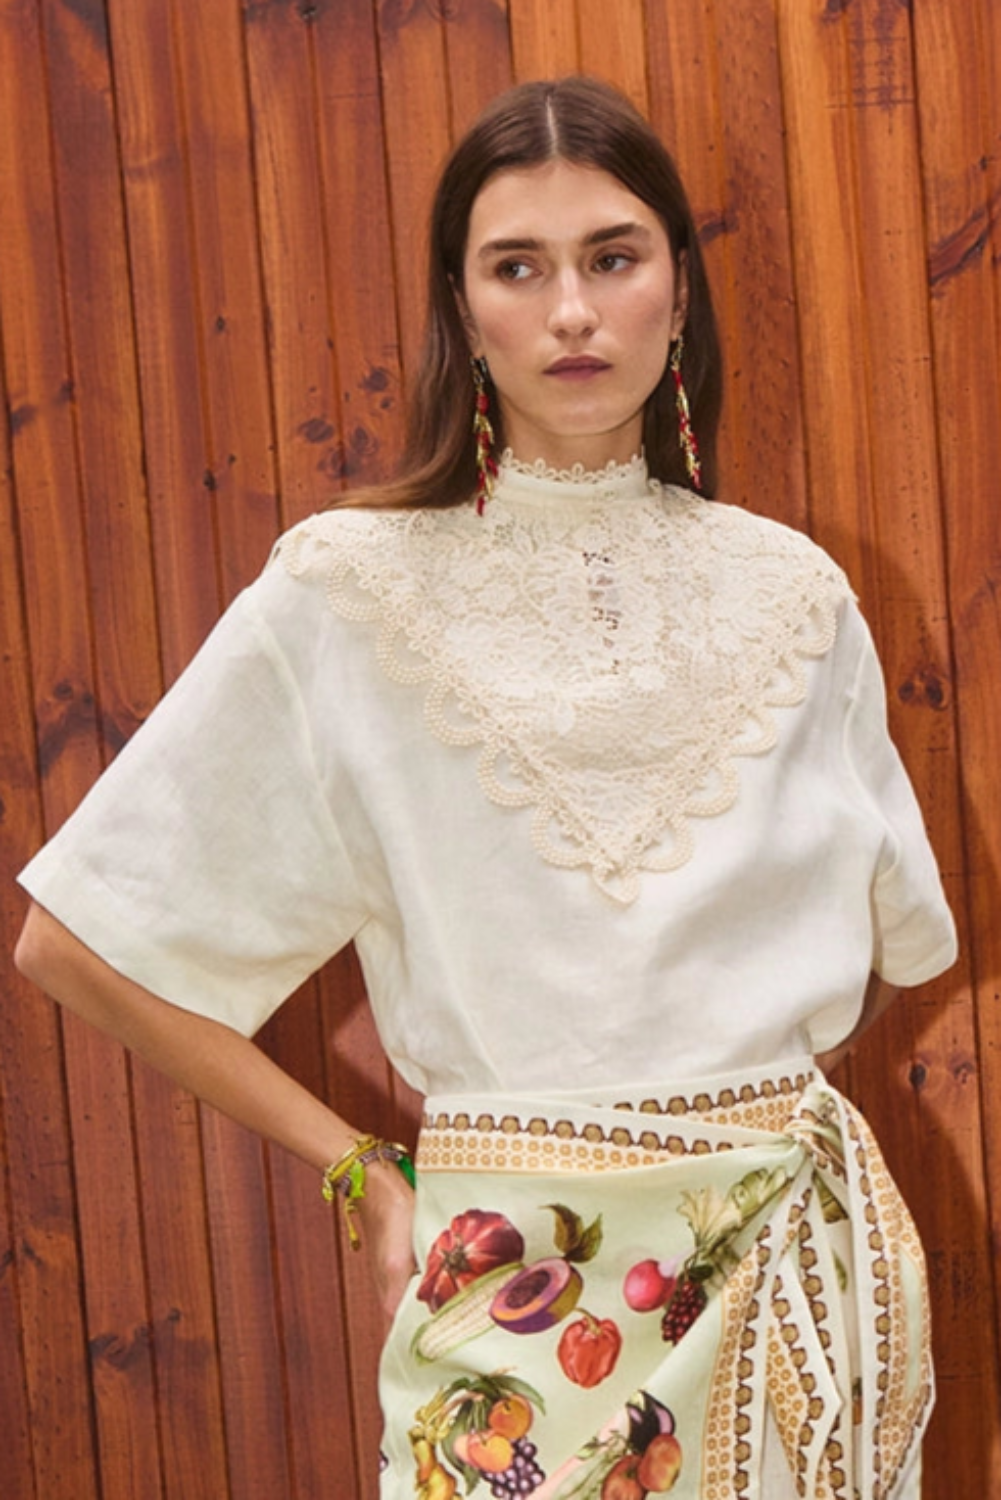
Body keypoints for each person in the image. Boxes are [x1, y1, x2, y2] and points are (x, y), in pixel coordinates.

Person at [15, 76, 955, 1500]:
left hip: (787, 1287)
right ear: (462, 311)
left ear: (678, 294)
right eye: (518, 268)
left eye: (613, 257)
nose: (572, 310)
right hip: (508, 1294)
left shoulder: (799, 598)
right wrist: (357, 1165)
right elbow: (81, 939)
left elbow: (888, 942)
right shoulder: (348, 591)